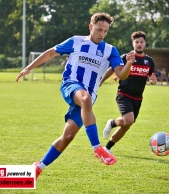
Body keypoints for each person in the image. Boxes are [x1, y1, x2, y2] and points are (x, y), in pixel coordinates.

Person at [15, 12, 135, 180]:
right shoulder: (76, 41)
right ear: (91, 27)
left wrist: (129, 63)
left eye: (105, 31)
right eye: (99, 29)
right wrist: (28, 68)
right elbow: (50, 53)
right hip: (71, 85)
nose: (102, 34)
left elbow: (121, 75)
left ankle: (38, 167)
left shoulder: (110, 50)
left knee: (68, 136)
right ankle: (97, 148)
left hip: (89, 95)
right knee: (85, 99)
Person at [99, 31, 157, 154]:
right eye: (137, 42)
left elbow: (152, 78)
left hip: (138, 98)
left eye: (141, 42)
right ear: (133, 44)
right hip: (123, 94)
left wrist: (153, 81)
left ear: (145, 43)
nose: (139, 44)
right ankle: (112, 122)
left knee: (126, 125)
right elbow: (112, 68)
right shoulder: (126, 57)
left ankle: (107, 148)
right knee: (129, 120)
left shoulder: (149, 61)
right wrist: (102, 80)